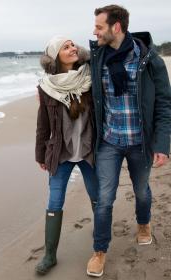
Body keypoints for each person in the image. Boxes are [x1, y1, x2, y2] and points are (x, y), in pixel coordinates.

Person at [86, 4, 171, 277]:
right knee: (104, 198)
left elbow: (164, 105)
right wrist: (46, 88)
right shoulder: (96, 58)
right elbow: (67, 70)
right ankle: (100, 250)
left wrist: (162, 144)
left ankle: (143, 223)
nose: (95, 32)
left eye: (99, 27)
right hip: (109, 141)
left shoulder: (149, 59)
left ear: (116, 27)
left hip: (140, 142)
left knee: (142, 191)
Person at [35, 35, 99, 275]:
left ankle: (100, 232)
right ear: (55, 56)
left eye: (73, 44)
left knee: (97, 196)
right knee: (54, 201)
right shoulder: (46, 87)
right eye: (66, 46)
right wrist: (40, 154)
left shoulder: (90, 78)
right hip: (60, 153)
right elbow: (43, 124)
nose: (73, 48)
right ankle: (50, 255)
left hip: (88, 150)